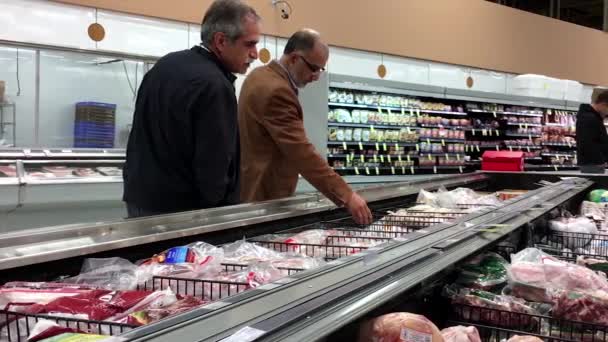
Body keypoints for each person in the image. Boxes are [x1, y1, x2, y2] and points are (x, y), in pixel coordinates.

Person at [123, 0, 261, 218]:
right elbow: (214, 165)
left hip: (141, 201)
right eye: (250, 44)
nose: (255, 54)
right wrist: (219, 214)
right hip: (185, 214)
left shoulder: (165, 65)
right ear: (221, 41)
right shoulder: (215, 85)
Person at [238, 29, 373, 224]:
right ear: (294, 58)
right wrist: (347, 195)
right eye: (313, 68)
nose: (316, 76)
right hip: (265, 201)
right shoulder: (277, 91)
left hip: (252, 193)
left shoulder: (258, 76)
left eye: (321, 70)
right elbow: (302, 153)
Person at [576, 88, 608, 174]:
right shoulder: (589, 118)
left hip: (594, 163)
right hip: (593, 163)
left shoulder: (593, 117)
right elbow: (587, 142)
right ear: (603, 104)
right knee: (595, 185)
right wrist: (600, 160)